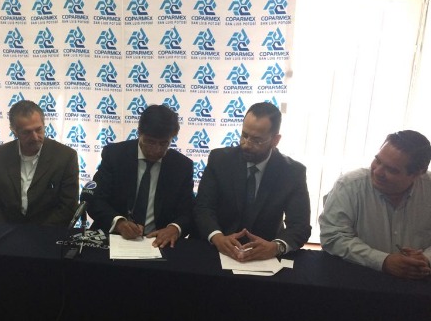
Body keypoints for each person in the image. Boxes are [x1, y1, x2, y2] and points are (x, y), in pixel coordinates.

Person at [194, 102, 311, 260]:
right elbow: (203, 207)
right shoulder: (220, 160)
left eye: (257, 140)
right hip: (218, 250)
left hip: (265, 254)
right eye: (244, 135)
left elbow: (300, 225)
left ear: (275, 140)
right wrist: (217, 237)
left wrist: (276, 247)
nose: (246, 145)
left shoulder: (292, 172)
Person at [319, 130, 431, 279]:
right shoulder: (349, 185)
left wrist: (425, 259)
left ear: (417, 174)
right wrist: (384, 261)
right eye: (378, 161)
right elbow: (333, 236)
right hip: (358, 277)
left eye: (391, 169)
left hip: (421, 277)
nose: (378, 172)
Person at [87, 104, 194, 248]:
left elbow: (188, 211)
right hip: (114, 237)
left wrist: (174, 228)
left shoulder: (182, 166)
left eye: (163, 143)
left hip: (158, 242)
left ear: (172, 138)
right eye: (150, 142)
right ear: (139, 133)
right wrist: (118, 223)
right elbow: (95, 200)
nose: (156, 150)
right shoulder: (115, 155)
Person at [0, 100, 79, 225]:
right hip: (7, 230)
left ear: (44, 125)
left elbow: (68, 207)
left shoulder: (65, 156)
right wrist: (3, 230)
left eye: (39, 129)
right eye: (27, 132)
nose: (34, 137)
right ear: (14, 131)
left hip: (48, 231)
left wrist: (35, 233)